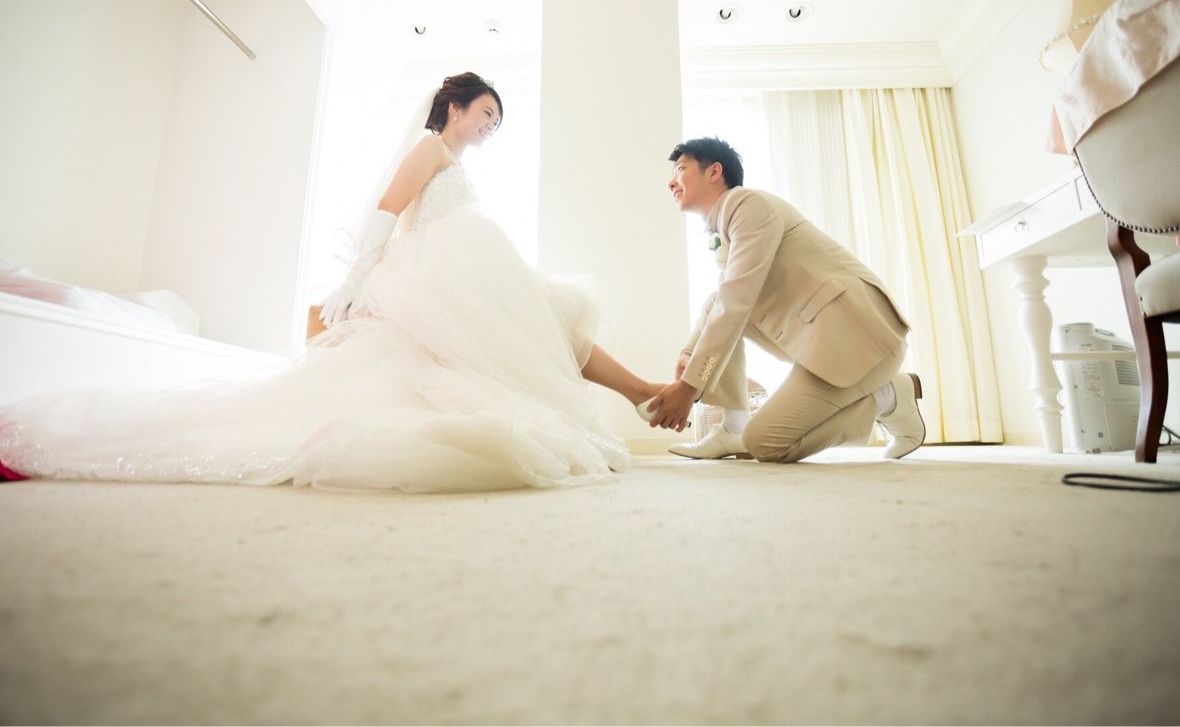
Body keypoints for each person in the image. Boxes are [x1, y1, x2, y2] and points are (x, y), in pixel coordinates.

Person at [0, 73, 664, 493]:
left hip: (465, 268)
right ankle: (644, 393)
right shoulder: (430, 148)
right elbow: (389, 208)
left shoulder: (452, 161)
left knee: (547, 311)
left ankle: (643, 393)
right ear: (455, 107)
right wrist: (357, 276)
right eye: (486, 112)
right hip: (442, 269)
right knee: (544, 311)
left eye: (497, 121)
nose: (491, 125)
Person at [645, 137, 926, 463]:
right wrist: (689, 355)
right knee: (716, 302)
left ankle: (889, 397)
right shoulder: (726, 226)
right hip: (827, 346)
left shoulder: (747, 205)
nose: (671, 182)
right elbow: (722, 302)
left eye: (681, 169)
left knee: (765, 444)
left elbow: (735, 303)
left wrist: (689, 387)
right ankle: (734, 427)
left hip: (861, 339)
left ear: (714, 172)